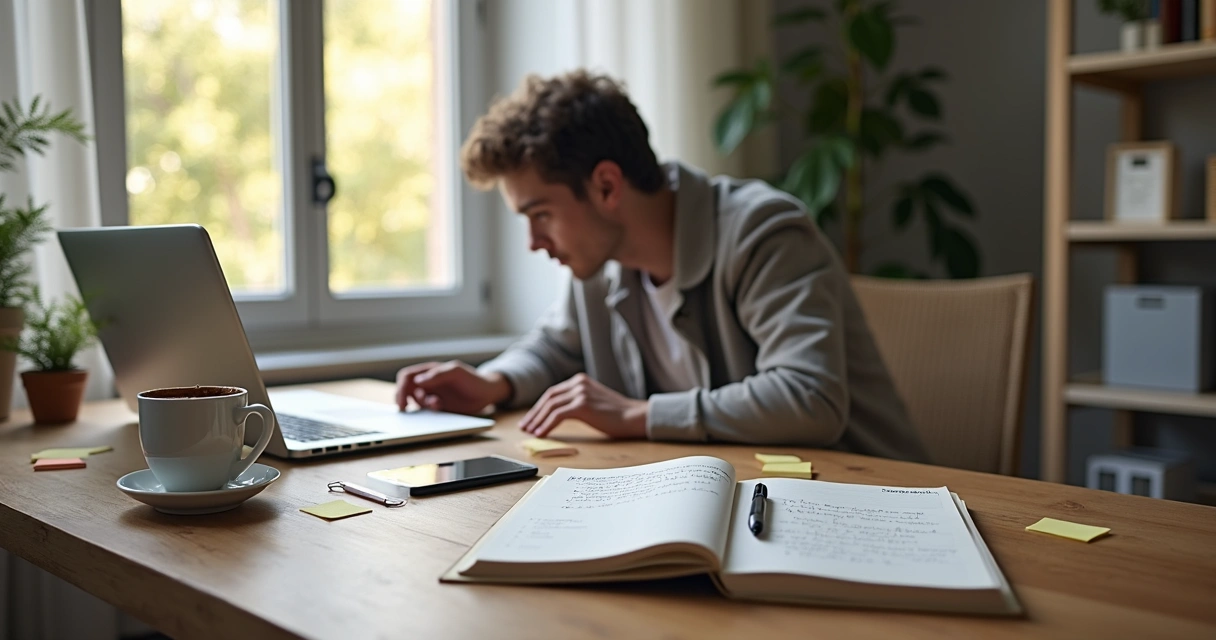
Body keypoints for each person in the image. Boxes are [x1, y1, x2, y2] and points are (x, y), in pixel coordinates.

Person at [396, 70, 929, 462]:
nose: (534, 242)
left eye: (540, 215)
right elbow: (555, 349)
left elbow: (808, 397)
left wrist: (636, 414)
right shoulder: (599, 264)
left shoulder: (763, 231)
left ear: (606, 186)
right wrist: (494, 383)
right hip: (739, 493)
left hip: (867, 501)